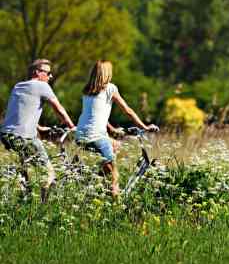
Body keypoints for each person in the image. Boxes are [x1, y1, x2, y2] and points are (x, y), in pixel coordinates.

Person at [76, 60, 158, 197]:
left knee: (115, 145)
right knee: (115, 174)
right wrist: (145, 127)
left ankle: (96, 181)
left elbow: (94, 114)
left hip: (80, 135)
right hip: (96, 136)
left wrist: (112, 129)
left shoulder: (87, 90)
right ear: (107, 74)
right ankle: (116, 202)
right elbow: (127, 111)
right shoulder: (110, 88)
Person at [0, 59, 76, 201]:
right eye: (48, 73)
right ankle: (43, 207)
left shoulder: (18, 86)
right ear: (37, 73)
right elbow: (58, 108)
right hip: (24, 137)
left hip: (6, 135)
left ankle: (24, 197)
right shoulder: (42, 86)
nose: (50, 76)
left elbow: (21, 111)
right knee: (48, 173)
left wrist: (40, 127)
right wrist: (72, 127)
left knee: (24, 167)